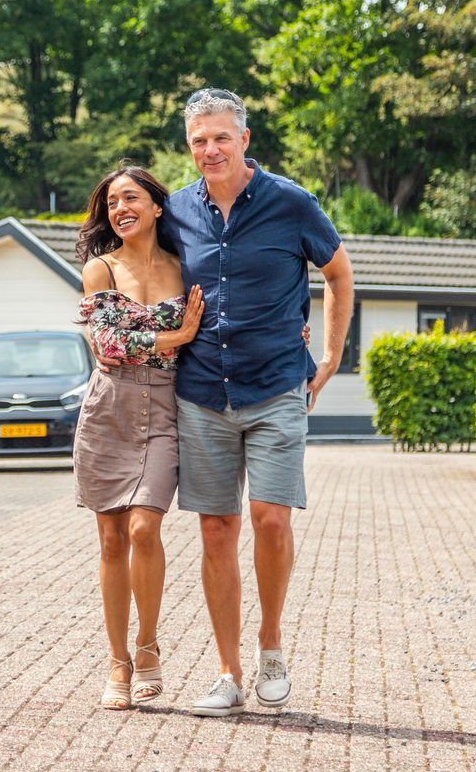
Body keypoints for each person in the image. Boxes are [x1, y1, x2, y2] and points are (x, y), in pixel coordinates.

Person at [156, 87, 354, 717]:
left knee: (271, 517)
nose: (209, 149)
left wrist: (329, 359)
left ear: (244, 139)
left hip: (275, 387)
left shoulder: (292, 203)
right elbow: (135, 260)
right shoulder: (175, 212)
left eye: (220, 137)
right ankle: (227, 671)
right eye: (198, 141)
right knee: (216, 530)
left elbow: (339, 273)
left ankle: (270, 644)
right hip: (201, 392)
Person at [73, 163, 204, 710]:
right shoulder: (99, 269)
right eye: (110, 204)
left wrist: (293, 326)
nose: (119, 209)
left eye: (130, 198)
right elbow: (108, 346)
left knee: (145, 529)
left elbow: (223, 321)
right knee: (110, 540)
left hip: (166, 410)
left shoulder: (185, 266)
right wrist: (179, 333)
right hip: (109, 411)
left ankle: (148, 646)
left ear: (156, 205)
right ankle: (117, 660)